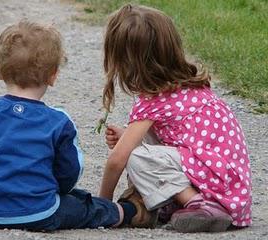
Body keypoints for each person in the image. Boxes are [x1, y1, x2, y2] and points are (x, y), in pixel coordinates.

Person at [0, 20, 138, 231]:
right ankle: (126, 212)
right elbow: (69, 172)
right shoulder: (58, 122)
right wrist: (56, 190)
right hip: (38, 213)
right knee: (83, 205)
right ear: (53, 76)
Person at [99, 4, 252, 232]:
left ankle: (197, 203)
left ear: (127, 61)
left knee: (136, 157)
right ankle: (190, 203)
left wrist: (102, 205)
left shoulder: (153, 100)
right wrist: (127, 137)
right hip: (230, 187)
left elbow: (117, 160)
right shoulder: (187, 85)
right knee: (138, 149)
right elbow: (181, 141)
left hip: (213, 188)